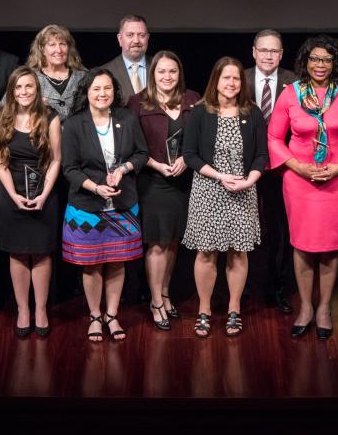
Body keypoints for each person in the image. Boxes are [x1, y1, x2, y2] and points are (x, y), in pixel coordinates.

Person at [267, 35, 338, 340]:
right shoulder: (291, 93)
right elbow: (274, 138)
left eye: (326, 59)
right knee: (302, 244)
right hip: (299, 181)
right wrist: (297, 166)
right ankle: (306, 308)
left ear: (334, 62)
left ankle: (324, 307)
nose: (320, 65)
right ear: (305, 62)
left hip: (337, 179)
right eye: (314, 59)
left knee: (330, 246)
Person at [61, 69, 148, 342]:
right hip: (87, 207)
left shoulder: (127, 117)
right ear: (86, 92)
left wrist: (123, 169)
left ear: (115, 91)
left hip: (122, 205)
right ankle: (95, 317)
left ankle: (112, 315)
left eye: (107, 88)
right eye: (96, 89)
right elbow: (70, 169)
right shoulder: (74, 124)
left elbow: (141, 153)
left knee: (117, 262)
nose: (102, 94)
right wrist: (95, 187)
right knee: (92, 265)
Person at [182, 56, 266, 338]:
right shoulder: (200, 112)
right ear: (215, 81)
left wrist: (249, 180)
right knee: (206, 253)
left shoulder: (252, 112)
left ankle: (234, 309)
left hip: (243, 190)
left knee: (237, 253)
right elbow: (189, 155)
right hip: (209, 189)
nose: (231, 83)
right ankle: (204, 310)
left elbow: (261, 156)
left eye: (236, 78)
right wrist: (220, 176)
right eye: (225, 77)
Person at [126, 50, 201, 330]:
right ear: (152, 74)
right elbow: (130, 146)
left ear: (179, 73)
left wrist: (186, 159)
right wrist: (156, 165)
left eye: (172, 71)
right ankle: (155, 300)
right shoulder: (137, 103)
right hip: (152, 182)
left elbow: (200, 139)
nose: (167, 77)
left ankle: (166, 293)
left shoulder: (193, 100)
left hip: (183, 182)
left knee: (172, 242)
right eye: (161, 72)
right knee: (157, 243)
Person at [0, 66, 62, 338]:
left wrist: (43, 194)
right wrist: (13, 195)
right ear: (12, 90)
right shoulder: (0, 117)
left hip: (44, 192)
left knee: (42, 252)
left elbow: (56, 159)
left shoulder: (50, 117)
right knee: (18, 253)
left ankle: (41, 309)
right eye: (18, 87)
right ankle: (23, 309)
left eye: (29, 86)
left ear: (37, 88)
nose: (24, 92)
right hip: (11, 194)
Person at [244, 29, 297, 313]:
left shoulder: (295, 83)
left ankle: (277, 289)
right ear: (253, 52)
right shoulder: (235, 78)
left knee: (279, 230)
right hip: (243, 169)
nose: (268, 56)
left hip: (281, 169)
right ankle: (242, 289)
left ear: (281, 54)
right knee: (242, 230)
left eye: (273, 51)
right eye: (263, 50)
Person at [27, 24, 87, 122]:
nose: (58, 50)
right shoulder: (29, 77)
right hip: (42, 135)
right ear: (42, 49)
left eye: (63, 44)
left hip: (78, 136)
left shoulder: (83, 77)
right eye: (52, 45)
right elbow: (8, 106)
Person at [99, 14, 150, 103]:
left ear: (148, 38)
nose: (136, 41)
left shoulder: (161, 68)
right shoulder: (104, 72)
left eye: (141, 35)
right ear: (120, 39)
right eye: (130, 35)